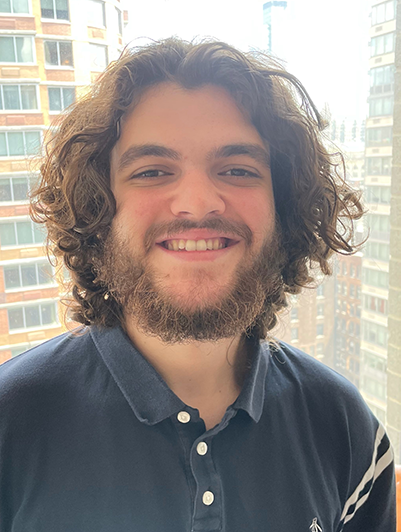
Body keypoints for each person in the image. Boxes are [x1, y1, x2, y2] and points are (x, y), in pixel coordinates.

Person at [0, 38, 396, 532]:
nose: (198, 202)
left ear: (285, 207)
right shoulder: (10, 424)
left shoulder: (347, 431)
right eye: (152, 171)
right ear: (99, 209)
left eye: (237, 169)